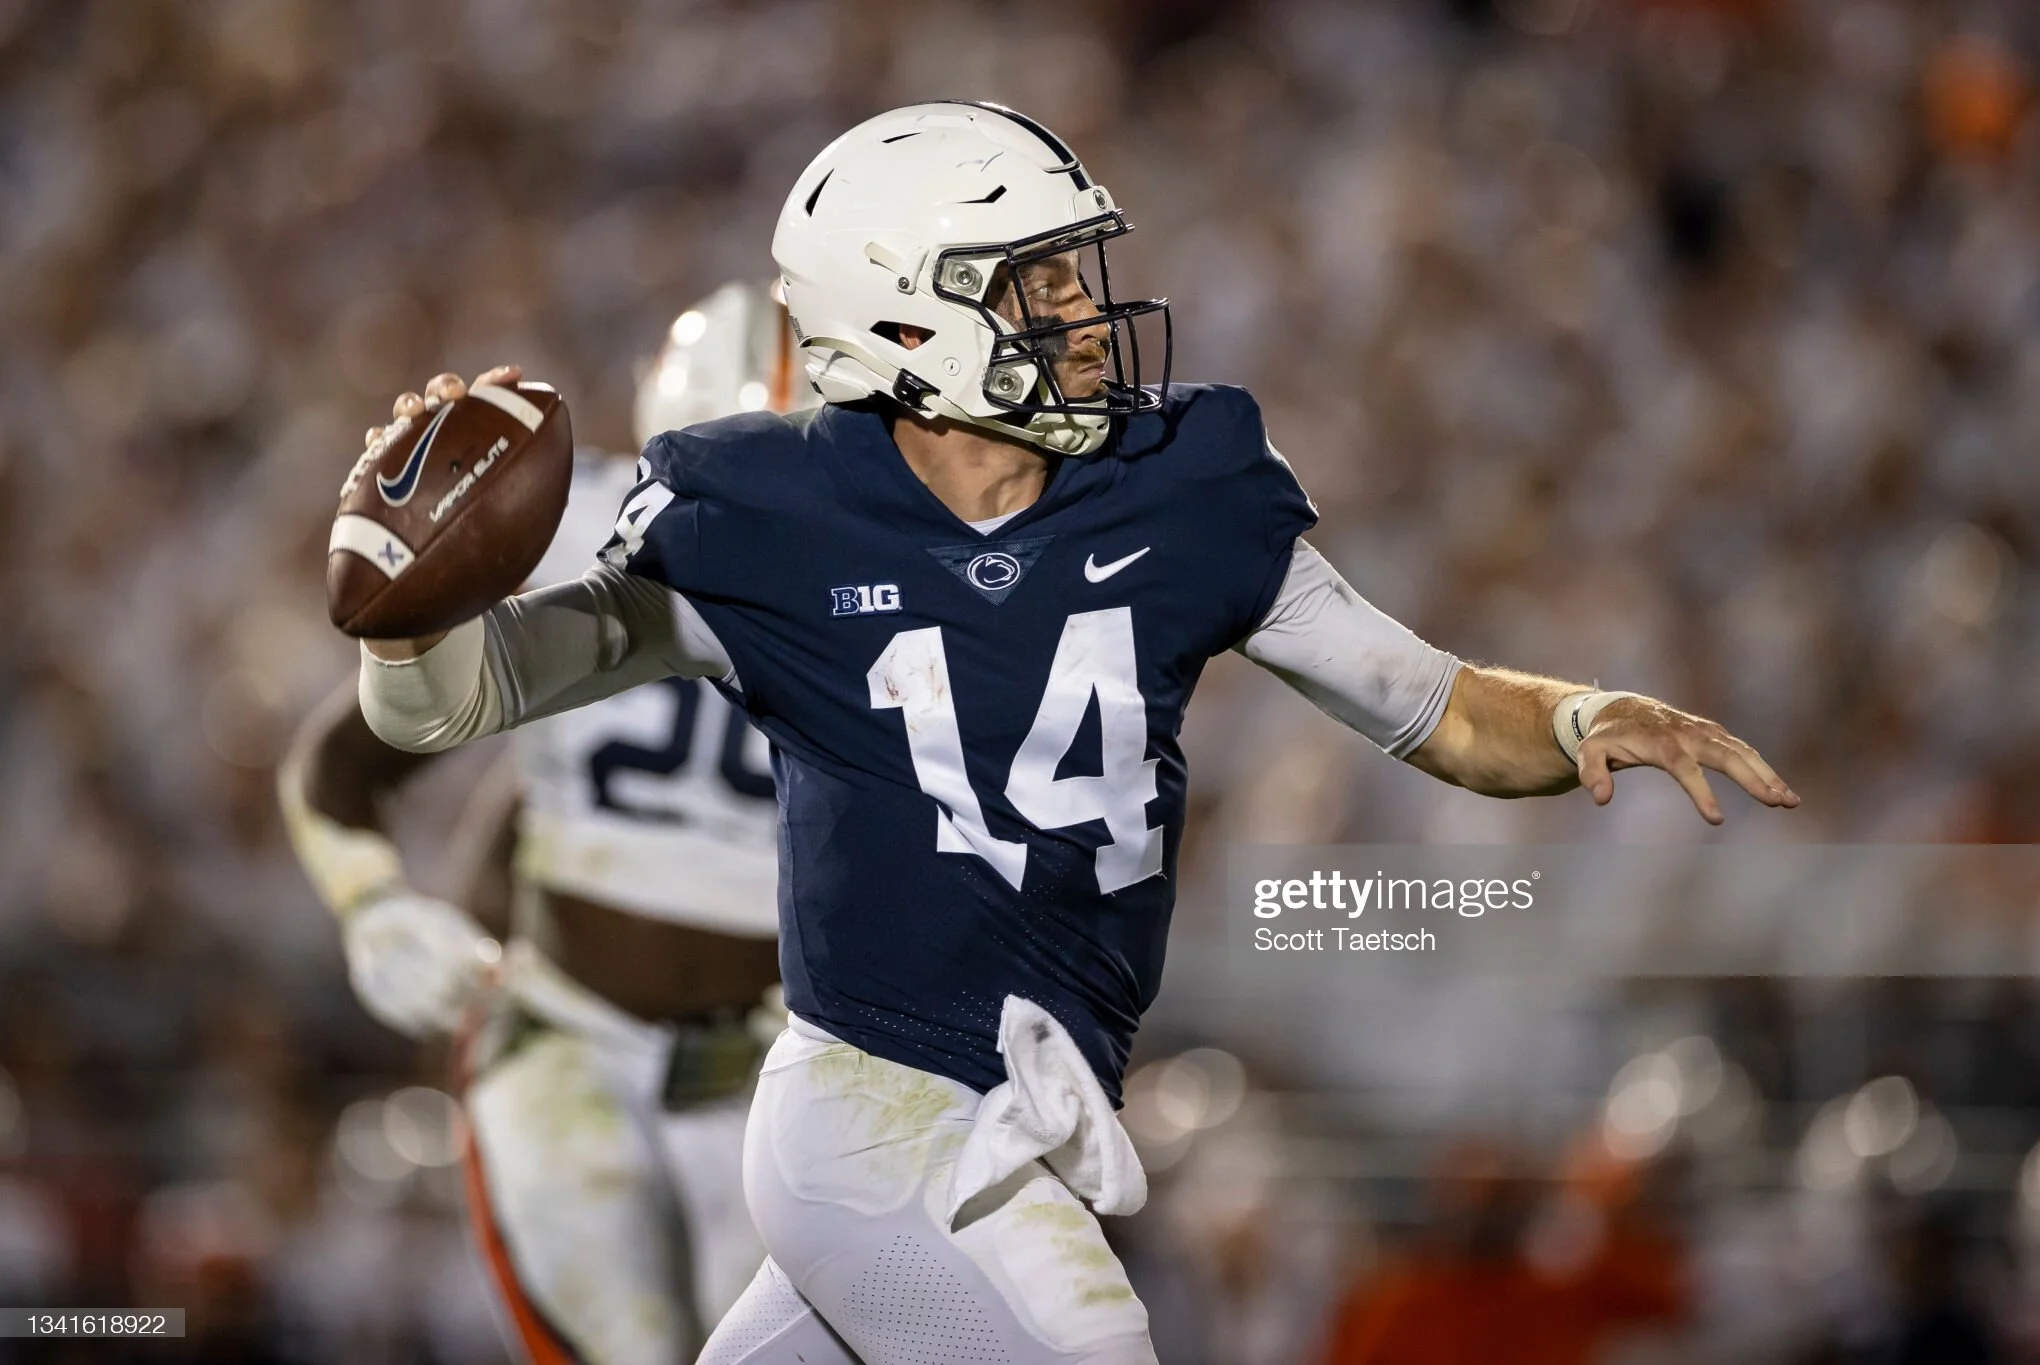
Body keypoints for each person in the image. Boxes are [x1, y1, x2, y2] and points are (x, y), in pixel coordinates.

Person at [343, 101, 1799, 1364]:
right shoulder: (761, 516)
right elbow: (461, 698)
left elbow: (1437, 709)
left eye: (1073, 271)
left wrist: (1578, 712)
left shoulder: (1184, 481)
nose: (1084, 312)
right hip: (883, 1112)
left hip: (1012, 1109)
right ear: (903, 316)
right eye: (1031, 282)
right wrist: (405, 619)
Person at [280, 281, 809, 1365]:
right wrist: (373, 904)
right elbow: (345, 759)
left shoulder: (893, 582)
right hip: (571, 1043)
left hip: (780, 1070)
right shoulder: (575, 532)